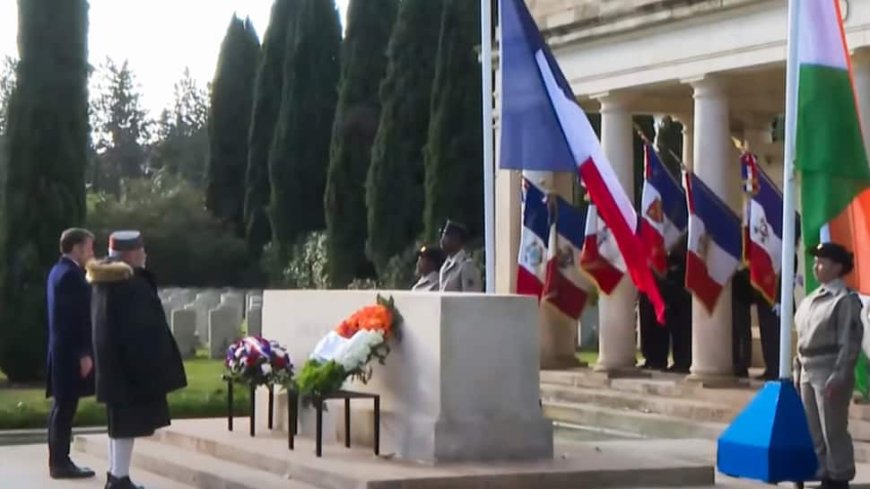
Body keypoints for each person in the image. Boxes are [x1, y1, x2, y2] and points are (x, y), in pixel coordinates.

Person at [87, 231, 187, 489]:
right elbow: (141, 330)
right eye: (142, 250)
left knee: (118, 425)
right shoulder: (129, 285)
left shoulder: (105, 281)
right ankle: (119, 479)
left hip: (113, 366)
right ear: (131, 254)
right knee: (126, 426)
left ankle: (116, 474)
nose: (145, 254)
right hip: (130, 368)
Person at [794, 242, 863, 489]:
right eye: (815, 262)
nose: (816, 266)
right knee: (815, 430)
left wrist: (840, 375)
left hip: (828, 369)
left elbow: (849, 343)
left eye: (822, 262)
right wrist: (797, 369)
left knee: (832, 429)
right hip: (807, 368)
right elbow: (801, 338)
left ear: (838, 267)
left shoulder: (844, 300)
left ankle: (839, 476)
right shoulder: (810, 300)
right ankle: (824, 472)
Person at [46, 228, 96, 479]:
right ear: (76, 248)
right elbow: (72, 319)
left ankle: (58, 460)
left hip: (61, 351)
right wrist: (83, 353)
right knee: (65, 409)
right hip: (69, 353)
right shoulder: (71, 276)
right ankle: (60, 463)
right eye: (88, 247)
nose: (91, 253)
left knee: (61, 407)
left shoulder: (59, 271)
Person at [438, 220, 482, 292]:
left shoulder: (467, 266)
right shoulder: (445, 265)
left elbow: (471, 297)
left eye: (446, 235)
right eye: (442, 235)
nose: (442, 239)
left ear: (456, 239)